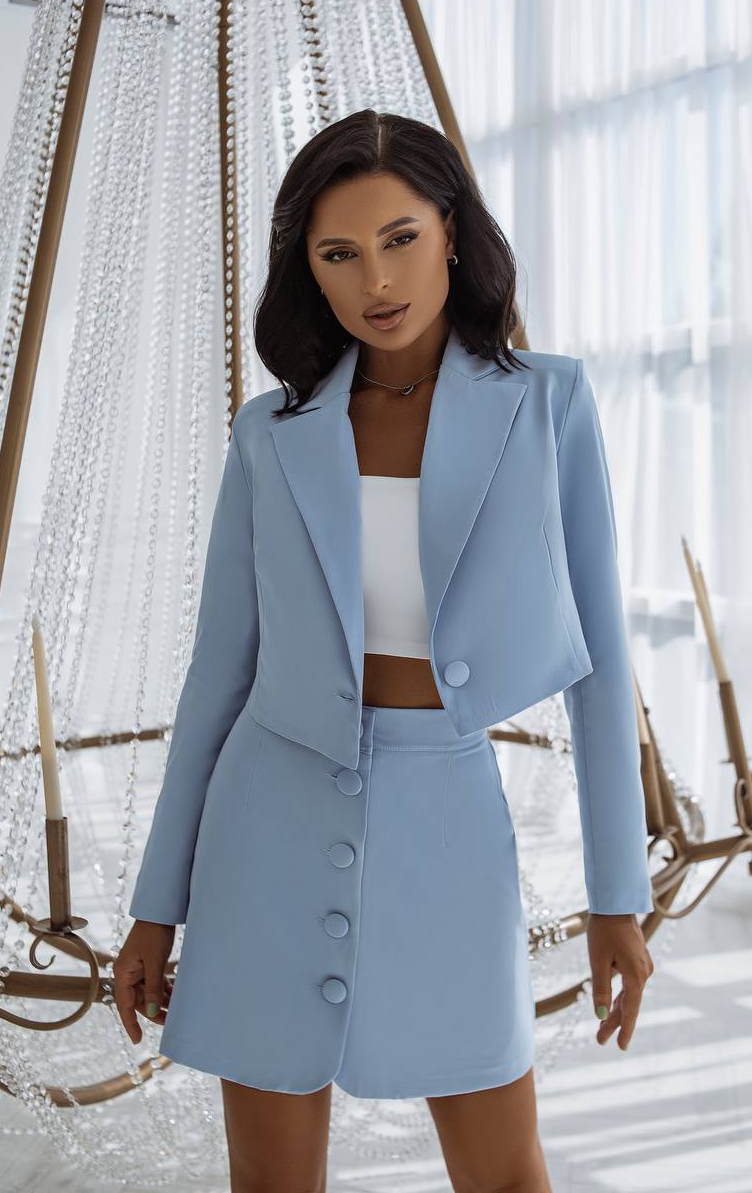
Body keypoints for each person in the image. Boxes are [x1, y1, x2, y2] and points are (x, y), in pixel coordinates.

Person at [113, 109, 654, 1193]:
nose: (377, 278)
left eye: (400, 236)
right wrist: (155, 901)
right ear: (308, 270)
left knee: (503, 1169)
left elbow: (600, 671)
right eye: (339, 253)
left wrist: (616, 893)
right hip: (264, 822)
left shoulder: (549, 405)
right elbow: (217, 672)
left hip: (450, 824)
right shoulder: (270, 434)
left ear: (451, 229)